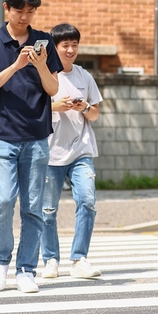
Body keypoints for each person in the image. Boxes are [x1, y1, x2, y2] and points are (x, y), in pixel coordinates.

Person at [0, 0, 63, 293]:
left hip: (35, 135)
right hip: (0, 135)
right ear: (6, 8)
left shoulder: (44, 41)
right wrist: (16, 65)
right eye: (20, 11)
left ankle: (26, 270)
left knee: (33, 205)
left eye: (31, 11)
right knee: (4, 199)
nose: (25, 17)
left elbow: (53, 90)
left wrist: (39, 65)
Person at [41, 23, 104, 279]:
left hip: (81, 151)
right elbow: (34, 111)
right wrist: (56, 106)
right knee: (47, 210)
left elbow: (96, 114)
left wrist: (84, 107)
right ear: (55, 48)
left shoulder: (84, 76)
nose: (70, 50)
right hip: (49, 153)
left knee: (87, 201)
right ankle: (50, 260)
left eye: (74, 44)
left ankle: (79, 259)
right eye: (65, 45)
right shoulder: (45, 75)